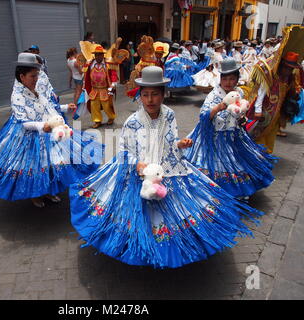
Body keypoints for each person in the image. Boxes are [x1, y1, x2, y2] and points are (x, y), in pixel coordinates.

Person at [69, 66, 263, 269]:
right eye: (145, 95)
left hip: (168, 167)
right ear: (140, 97)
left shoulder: (169, 114)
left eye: (155, 94)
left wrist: (180, 144)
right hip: (141, 172)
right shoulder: (132, 122)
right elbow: (124, 150)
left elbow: (170, 141)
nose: (150, 100)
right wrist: (137, 164)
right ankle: (142, 249)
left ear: (163, 94)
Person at [0, 53, 102, 207]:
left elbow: (48, 106)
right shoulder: (17, 95)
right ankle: (36, 195)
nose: (36, 79)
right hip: (28, 137)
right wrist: (42, 126)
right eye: (32, 76)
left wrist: (65, 107)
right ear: (22, 76)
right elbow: (24, 123)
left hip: (47, 132)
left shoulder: (35, 88)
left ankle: (48, 191)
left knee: (50, 163)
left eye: (37, 75)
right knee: (33, 166)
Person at [185, 58, 275, 199]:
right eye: (225, 79)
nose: (228, 82)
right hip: (215, 137)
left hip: (234, 135)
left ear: (237, 79)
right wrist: (220, 106)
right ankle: (217, 192)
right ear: (220, 79)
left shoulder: (239, 92)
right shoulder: (214, 95)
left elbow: (241, 111)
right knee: (217, 164)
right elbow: (203, 116)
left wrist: (242, 119)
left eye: (232, 79)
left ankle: (238, 191)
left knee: (236, 161)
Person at [247, 51, 303, 153]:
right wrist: (258, 109)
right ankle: (257, 154)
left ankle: (267, 153)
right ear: (281, 65)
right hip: (265, 113)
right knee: (259, 134)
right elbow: (261, 92)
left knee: (271, 135)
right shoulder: (271, 76)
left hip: (277, 114)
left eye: (290, 69)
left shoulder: (289, 79)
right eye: (286, 67)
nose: (288, 71)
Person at [82, 45, 116, 128]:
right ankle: (97, 121)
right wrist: (84, 84)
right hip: (94, 89)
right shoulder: (90, 64)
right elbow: (86, 75)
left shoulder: (108, 64)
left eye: (99, 54)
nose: (98, 56)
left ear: (103, 55)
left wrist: (113, 84)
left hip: (104, 89)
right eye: (96, 55)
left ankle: (111, 117)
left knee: (106, 106)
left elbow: (113, 74)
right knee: (94, 105)